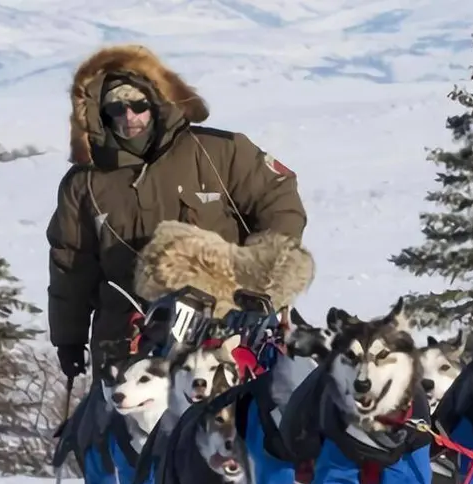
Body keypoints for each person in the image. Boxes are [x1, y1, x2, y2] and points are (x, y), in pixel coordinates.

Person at [47, 44, 314, 378]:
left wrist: (263, 267)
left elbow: (278, 197)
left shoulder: (219, 152)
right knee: (113, 428)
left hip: (225, 329)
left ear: (156, 103)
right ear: (101, 113)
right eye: (117, 107)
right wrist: (68, 338)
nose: (130, 116)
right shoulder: (84, 183)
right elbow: (71, 264)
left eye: (138, 105)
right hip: (128, 337)